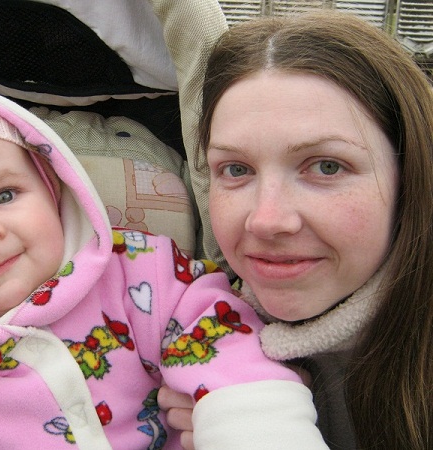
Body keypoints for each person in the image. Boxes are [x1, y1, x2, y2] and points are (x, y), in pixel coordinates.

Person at [0, 77, 326, 449]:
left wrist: (250, 418)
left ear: (54, 192)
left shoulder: (137, 272)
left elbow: (219, 336)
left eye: (4, 195)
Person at [150, 6, 433, 450]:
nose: (267, 220)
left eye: (326, 166)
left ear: (409, 174)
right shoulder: (188, 335)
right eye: (236, 169)